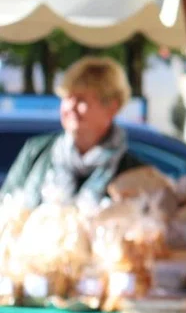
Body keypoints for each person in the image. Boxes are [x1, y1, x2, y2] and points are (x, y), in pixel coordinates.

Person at [0, 56, 143, 209]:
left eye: (81, 100)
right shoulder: (36, 151)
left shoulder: (132, 172)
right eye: (68, 97)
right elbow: (5, 207)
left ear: (112, 107)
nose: (70, 107)